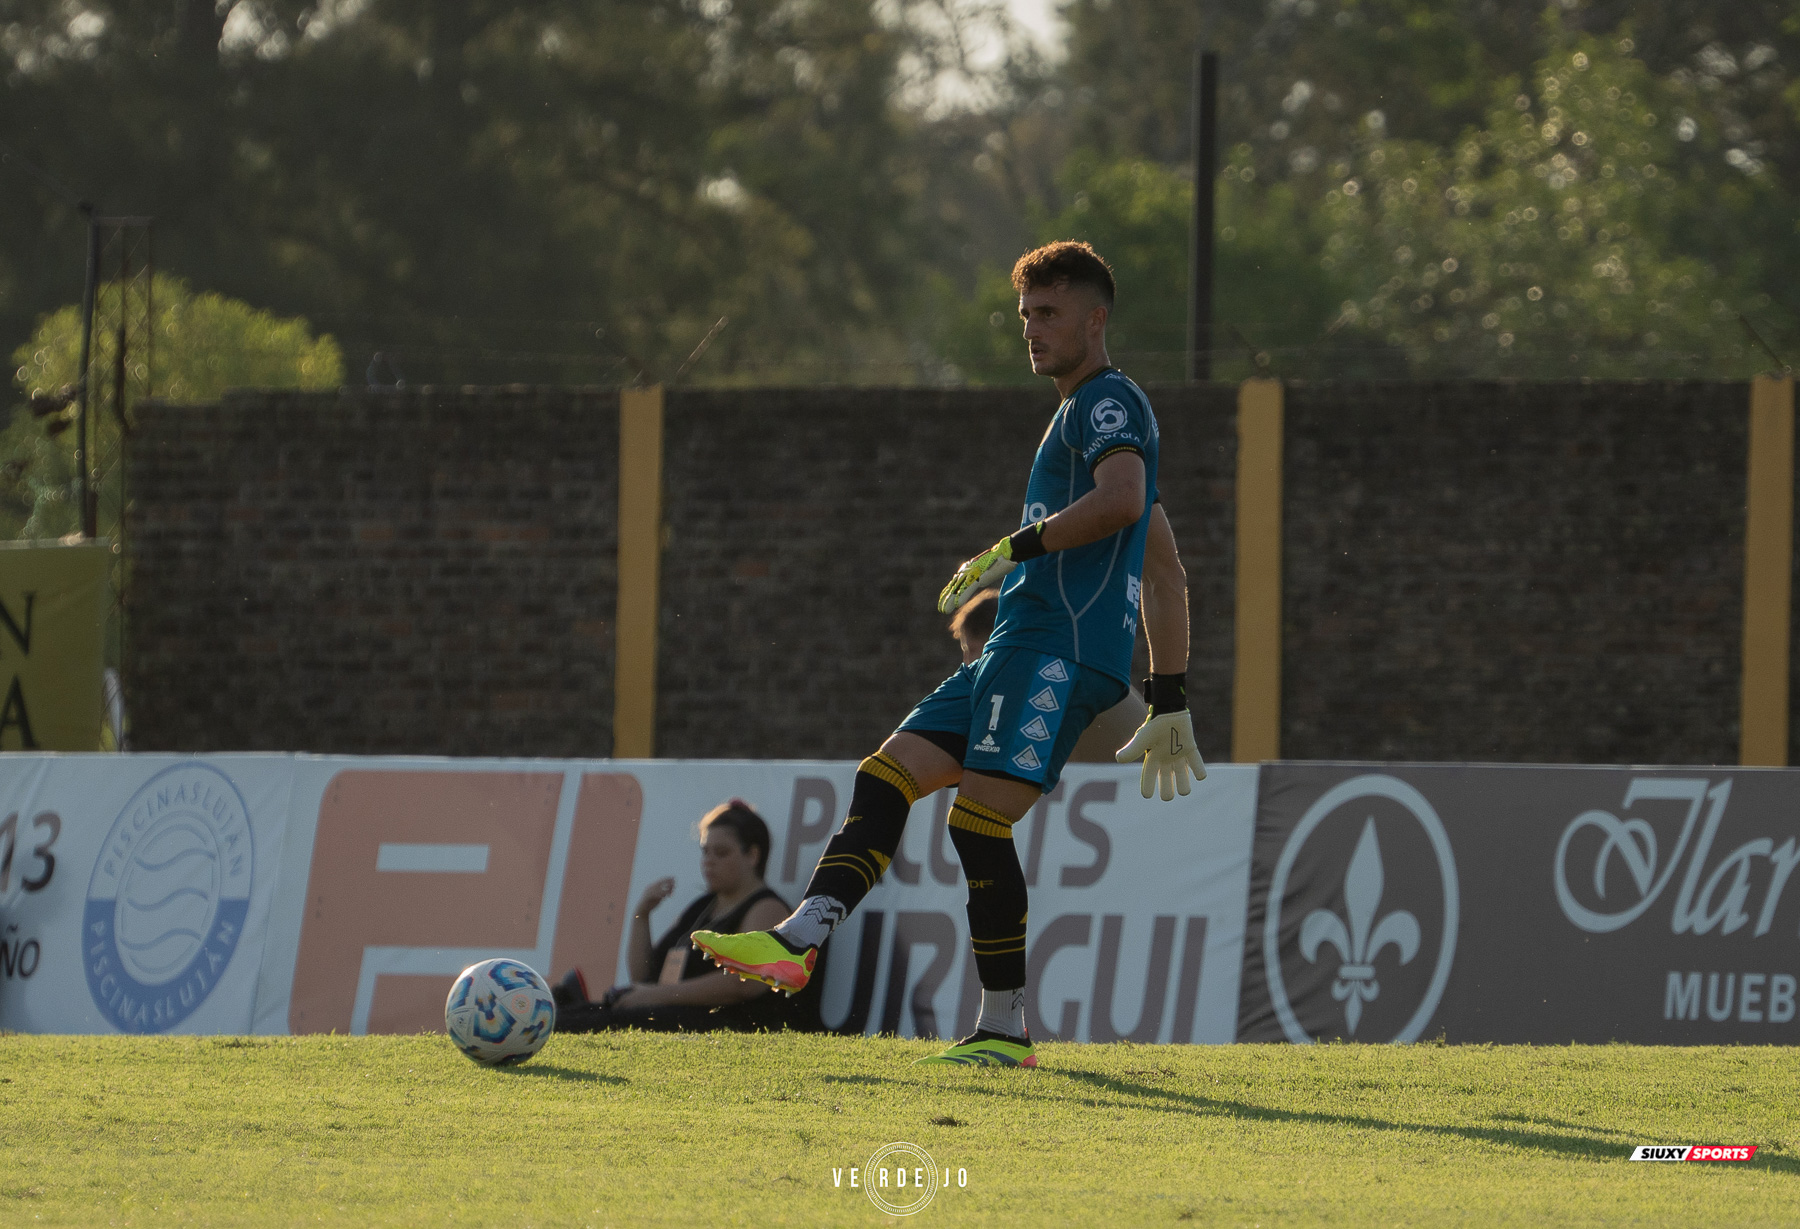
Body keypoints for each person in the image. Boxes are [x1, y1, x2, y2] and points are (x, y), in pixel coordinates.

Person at [693, 240, 1206, 1068]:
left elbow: (1117, 504)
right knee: (887, 772)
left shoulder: (1107, 403)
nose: (1034, 330)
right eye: (1026, 315)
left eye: (1050, 313)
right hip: (1013, 648)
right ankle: (798, 938)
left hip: (1054, 654)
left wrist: (1017, 545)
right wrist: (1171, 693)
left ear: (1095, 318)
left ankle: (1004, 1026)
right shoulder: (1080, 412)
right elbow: (1167, 567)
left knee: (976, 819)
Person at [555, 800, 797, 1033]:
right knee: (568, 1009)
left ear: (753, 856)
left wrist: (654, 997)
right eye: (705, 852)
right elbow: (644, 977)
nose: (709, 862)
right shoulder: (702, 907)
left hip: (724, 1023)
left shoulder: (767, 909)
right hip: (671, 1013)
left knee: (605, 1021)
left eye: (721, 853)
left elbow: (746, 984)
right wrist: (642, 914)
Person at [949, 587, 1148, 764]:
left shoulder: (1041, 678)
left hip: (1138, 788)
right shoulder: (1058, 661)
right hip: (1132, 785)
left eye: (972, 650)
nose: (967, 662)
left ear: (998, 642)